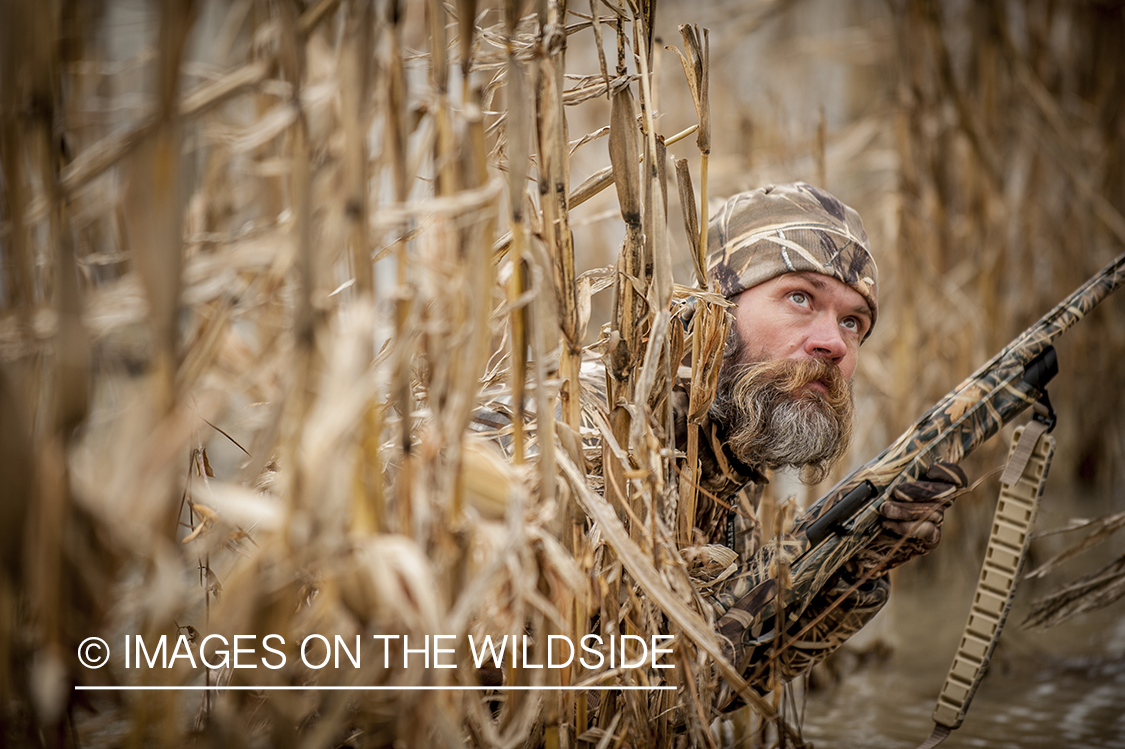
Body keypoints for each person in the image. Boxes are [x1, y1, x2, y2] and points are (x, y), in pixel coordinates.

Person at [679, 182, 967, 706]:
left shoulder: (726, 463)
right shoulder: (582, 441)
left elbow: (720, 683)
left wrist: (862, 555)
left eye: (853, 322)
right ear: (712, 308)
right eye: (799, 298)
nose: (833, 343)